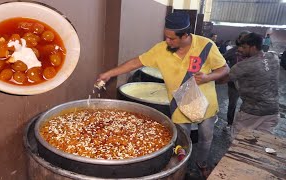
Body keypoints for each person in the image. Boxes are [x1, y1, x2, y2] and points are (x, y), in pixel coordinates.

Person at [97, 12, 229, 178]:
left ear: (185, 35)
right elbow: (135, 62)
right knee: (182, 139)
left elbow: (225, 69)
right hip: (179, 104)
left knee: (206, 138)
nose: (167, 41)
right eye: (165, 36)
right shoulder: (161, 50)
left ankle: (202, 163)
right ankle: (183, 167)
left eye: (172, 38)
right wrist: (109, 73)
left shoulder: (206, 46)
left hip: (206, 104)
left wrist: (208, 77)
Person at [228, 33, 279, 137]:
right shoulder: (273, 57)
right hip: (272, 111)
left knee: (238, 144)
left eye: (244, 47)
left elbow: (223, 78)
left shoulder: (242, 66)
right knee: (261, 144)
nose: (240, 49)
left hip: (251, 113)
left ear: (254, 47)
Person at [223, 31, 250, 130]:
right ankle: (230, 123)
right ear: (239, 40)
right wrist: (228, 69)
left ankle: (245, 126)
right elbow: (221, 59)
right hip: (233, 85)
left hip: (248, 85)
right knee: (232, 105)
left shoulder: (252, 53)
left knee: (247, 105)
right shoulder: (233, 51)